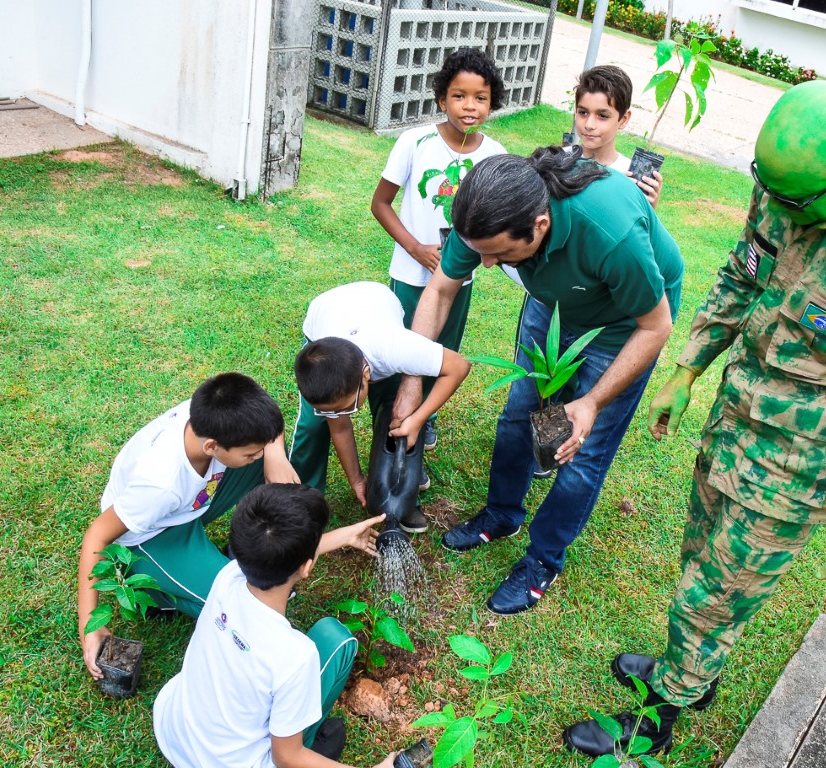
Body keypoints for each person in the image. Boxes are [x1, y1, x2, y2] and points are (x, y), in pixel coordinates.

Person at [563, 80, 826, 758]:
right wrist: (688, 368)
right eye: (771, 192)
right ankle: (690, 673)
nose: (779, 209)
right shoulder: (787, 191)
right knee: (703, 558)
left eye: (795, 202)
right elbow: (743, 274)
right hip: (737, 414)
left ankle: (657, 718)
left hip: (804, 458)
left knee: (714, 594)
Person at [396, 147, 683, 615]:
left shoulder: (609, 232)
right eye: (481, 253)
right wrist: (413, 378)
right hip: (553, 302)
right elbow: (441, 288)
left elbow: (657, 327)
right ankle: (503, 514)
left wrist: (590, 402)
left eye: (501, 255)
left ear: (540, 225)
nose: (487, 266)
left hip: (624, 324)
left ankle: (542, 561)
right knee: (519, 417)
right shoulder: (485, 210)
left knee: (580, 452)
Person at [153, 483, 395, 768]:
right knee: (336, 639)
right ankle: (309, 737)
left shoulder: (227, 577)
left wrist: (342, 537)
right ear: (306, 568)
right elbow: (286, 757)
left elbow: (279, 554)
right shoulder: (295, 657)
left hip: (175, 732)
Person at [77, 373, 300, 681]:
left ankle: (254, 546)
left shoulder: (215, 416)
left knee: (278, 471)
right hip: (153, 536)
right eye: (251, 453)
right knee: (241, 605)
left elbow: (268, 420)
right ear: (213, 446)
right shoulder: (159, 486)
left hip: (189, 503)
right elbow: (97, 536)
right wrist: (90, 626)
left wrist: (273, 455)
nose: (258, 455)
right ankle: (158, 594)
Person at [371, 47, 508, 454]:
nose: (470, 106)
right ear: (441, 99)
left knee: (442, 350)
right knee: (402, 349)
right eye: (459, 96)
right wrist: (415, 249)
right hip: (412, 273)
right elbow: (380, 203)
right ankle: (389, 422)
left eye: (480, 98)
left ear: (492, 102)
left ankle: (424, 417)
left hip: (459, 278)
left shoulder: (495, 156)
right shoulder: (416, 142)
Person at [288, 281, 471, 533]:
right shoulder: (321, 366)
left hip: (377, 303)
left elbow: (459, 366)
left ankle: (404, 498)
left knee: (398, 415)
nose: (344, 415)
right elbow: (340, 428)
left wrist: (419, 418)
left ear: (367, 376)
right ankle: (301, 501)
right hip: (325, 316)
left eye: (349, 407)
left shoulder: (394, 349)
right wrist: (356, 480)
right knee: (312, 427)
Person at [572, 64, 663, 208]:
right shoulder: (558, 163)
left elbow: (635, 228)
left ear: (624, 119)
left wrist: (649, 209)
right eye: (583, 112)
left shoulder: (630, 176)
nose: (589, 124)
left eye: (602, 116)